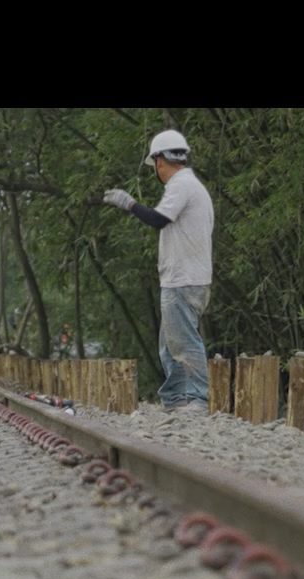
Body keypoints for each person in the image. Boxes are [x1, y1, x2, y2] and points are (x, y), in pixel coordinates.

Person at [102, 129, 215, 413]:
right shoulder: (192, 186)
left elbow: (158, 219)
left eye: (156, 166)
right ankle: (175, 399)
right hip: (185, 278)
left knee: (183, 342)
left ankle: (200, 399)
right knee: (169, 344)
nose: (157, 171)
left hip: (183, 279)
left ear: (160, 160)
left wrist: (129, 203)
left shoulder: (181, 185)